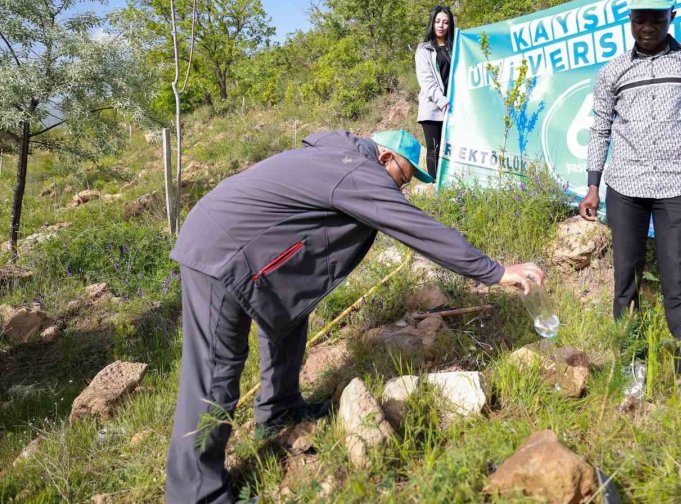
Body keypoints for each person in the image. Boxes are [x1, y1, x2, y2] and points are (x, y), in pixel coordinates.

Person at [166, 128, 545, 504]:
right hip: (219, 252)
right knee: (215, 374)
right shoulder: (355, 171)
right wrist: (493, 271)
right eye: (403, 178)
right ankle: (195, 493)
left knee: (290, 315)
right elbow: (415, 226)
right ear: (385, 159)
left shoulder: (342, 159)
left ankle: (279, 410)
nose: (399, 190)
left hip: (249, 249)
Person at [578, 0, 681, 387]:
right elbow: (600, 129)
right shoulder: (613, 71)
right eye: (639, 19)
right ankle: (632, 367)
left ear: (671, 17)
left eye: (656, 19)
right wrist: (592, 185)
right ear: (629, 20)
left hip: (678, 185)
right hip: (624, 187)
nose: (647, 27)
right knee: (626, 280)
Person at [415, 5, 455, 179]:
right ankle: (435, 189)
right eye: (438, 21)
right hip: (433, 108)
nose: (441, 25)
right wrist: (441, 101)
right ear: (432, 23)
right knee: (435, 150)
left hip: (453, 107)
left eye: (445, 22)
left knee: (453, 149)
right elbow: (426, 81)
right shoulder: (423, 50)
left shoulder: (456, 47)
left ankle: (451, 186)